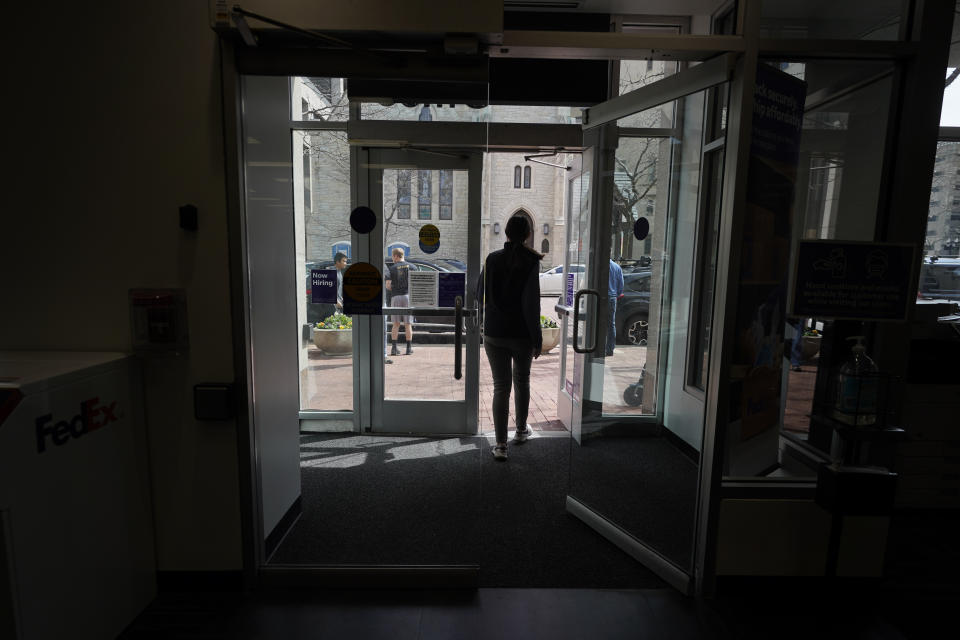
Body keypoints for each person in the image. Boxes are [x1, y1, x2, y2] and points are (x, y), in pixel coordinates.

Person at [477, 216, 542, 461]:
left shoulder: (492, 259)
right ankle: (521, 431)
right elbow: (531, 303)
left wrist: (485, 320)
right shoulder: (532, 261)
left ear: (505, 232)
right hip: (521, 334)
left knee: (500, 387)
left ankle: (501, 445)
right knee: (522, 381)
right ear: (527, 234)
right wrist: (536, 337)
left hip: (494, 332)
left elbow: (478, 292)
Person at [385, 247, 413, 355]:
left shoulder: (391, 269)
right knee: (408, 323)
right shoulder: (412, 267)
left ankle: (394, 348)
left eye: (393, 256)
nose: (392, 259)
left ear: (396, 256)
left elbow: (388, 286)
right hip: (407, 296)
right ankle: (409, 348)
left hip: (396, 297)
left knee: (395, 324)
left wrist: (395, 289)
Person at [606, 258, 624, 356]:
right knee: (611, 324)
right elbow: (621, 286)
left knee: (598, 323)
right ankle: (610, 349)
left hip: (600, 297)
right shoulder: (617, 267)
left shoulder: (598, 264)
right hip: (612, 298)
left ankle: (598, 347)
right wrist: (615, 294)